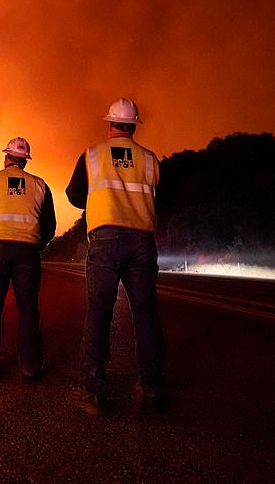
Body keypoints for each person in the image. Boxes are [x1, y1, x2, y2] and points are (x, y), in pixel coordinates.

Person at [66, 98, 166, 415]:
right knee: (146, 314)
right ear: (134, 125)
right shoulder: (151, 160)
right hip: (141, 240)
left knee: (98, 313)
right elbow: (157, 194)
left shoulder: (92, 155)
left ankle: (92, 392)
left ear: (110, 124)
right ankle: (152, 388)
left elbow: (74, 195)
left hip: (105, 239)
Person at [0, 137, 56, 383]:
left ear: (6, 157)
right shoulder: (40, 185)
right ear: (25, 161)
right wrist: (37, 245)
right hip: (27, 250)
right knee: (28, 308)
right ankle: (29, 366)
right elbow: (49, 225)